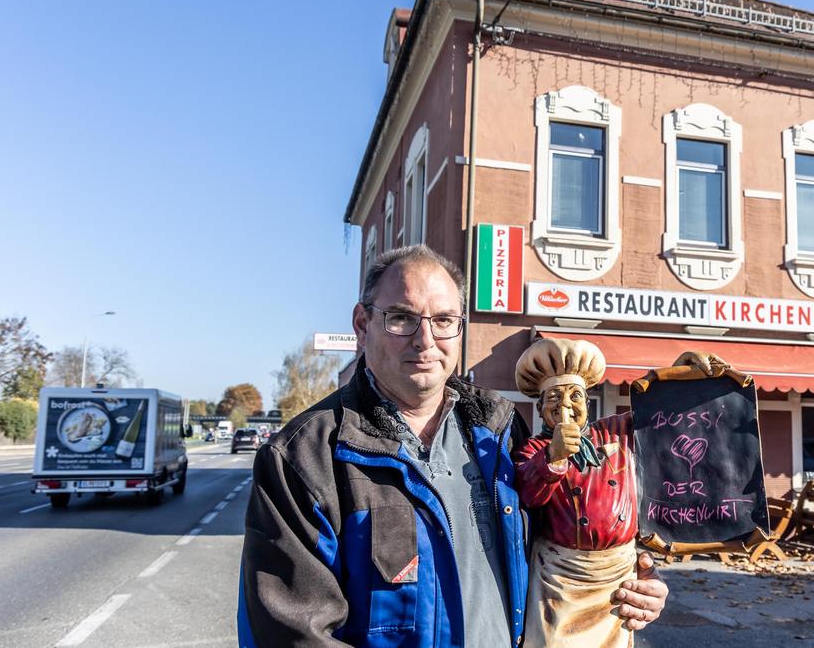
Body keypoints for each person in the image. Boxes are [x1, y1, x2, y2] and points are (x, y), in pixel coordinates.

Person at [237, 244, 670, 647]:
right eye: (402, 318)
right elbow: (293, 633)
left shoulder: (500, 431)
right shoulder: (304, 458)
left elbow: (557, 541)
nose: (425, 341)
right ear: (362, 324)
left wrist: (631, 580)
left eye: (443, 321)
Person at [514, 338, 729, 648]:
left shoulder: (615, 432)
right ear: (540, 407)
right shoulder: (534, 449)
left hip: (616, 574)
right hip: (561, 578)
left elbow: (661, 414)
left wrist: (684, 375)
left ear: (587, 402)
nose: (565, 406)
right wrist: (553, 457)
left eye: (574, 396)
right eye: (554, 398)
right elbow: (526, 494)